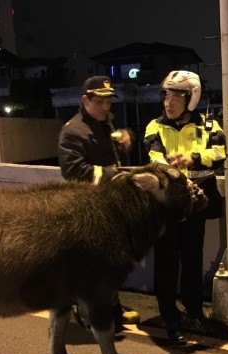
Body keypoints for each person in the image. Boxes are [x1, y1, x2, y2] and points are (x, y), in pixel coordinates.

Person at [143, 70, 226, 345]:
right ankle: (169, 318)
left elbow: (220, 154)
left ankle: (194, 312)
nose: (169, 102)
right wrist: (170, 167)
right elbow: (155, 157)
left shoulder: (209, 125)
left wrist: (192, 157)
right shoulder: (155, 126)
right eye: (166, 95)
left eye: (177, 96)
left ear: (192, 98)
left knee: (192, 262)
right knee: (166, 265)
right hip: (167, 207)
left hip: (195, 208)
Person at [58, 75, 140, 330]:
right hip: (88, 209)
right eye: (100, 102)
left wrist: (126, 135)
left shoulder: (105, 121)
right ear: (85, 100)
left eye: (108, 102)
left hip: (109, 207)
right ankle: (87, 312)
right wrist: (113, 175)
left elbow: (114, 143)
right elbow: (73, 171)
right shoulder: (73, 130)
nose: (107, 107)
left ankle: (112, 307)